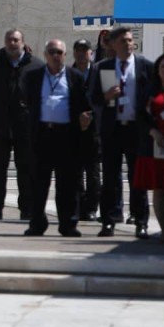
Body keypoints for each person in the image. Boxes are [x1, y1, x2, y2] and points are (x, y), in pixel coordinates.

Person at [22, 39, 92, 237]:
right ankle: (37, 223)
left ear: (65, 55)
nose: (55, 56)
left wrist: (85, 119)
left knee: (68, 184)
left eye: (59, 52)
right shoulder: (33, 76)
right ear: (45, 55)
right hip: (42, 135)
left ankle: (68, 224)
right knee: (38, 183)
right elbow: (27, 99)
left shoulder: (75, 77)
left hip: (67, 137)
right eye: (52, 52)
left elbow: (84, 104)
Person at [0, 29, 43, 220]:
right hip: (0, 127)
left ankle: (26, 209)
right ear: (5, 42)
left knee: (26, 170)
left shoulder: (36, 66)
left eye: (16, 40)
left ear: (22, 42)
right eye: (9, 40)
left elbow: (44, 98)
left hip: (25, 128)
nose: (12, 43)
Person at [91, 26, 153, 238]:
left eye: (129, 40)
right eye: (122, 41)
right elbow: (93, 98)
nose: (127, 44)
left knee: (138, 177)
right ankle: (109, 220)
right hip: (113, 129)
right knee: (110, 177)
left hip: (137, 129)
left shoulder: (145, 66)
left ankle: (140, 221)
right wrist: (106, 96)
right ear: (113, 45)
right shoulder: (104, 68)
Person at [133, 52, 164, 243]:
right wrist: (154, 132)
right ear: (157, 70)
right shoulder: (150, 91)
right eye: (163, 67)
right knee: (160, 190)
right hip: (156, 147)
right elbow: (140, 116)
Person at [72, 38, 101, 221]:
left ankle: (91, 208)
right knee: (75, 171)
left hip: (95, 130)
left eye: (86, 50)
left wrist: (90, 116)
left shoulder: (100, 72)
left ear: (91, 52)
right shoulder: (67, 73)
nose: (82, 53)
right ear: (74, 52)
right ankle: (79, 206)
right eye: (79, 50)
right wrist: (77, 118)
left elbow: (108, 100)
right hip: (73, 130)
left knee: (93, 172)